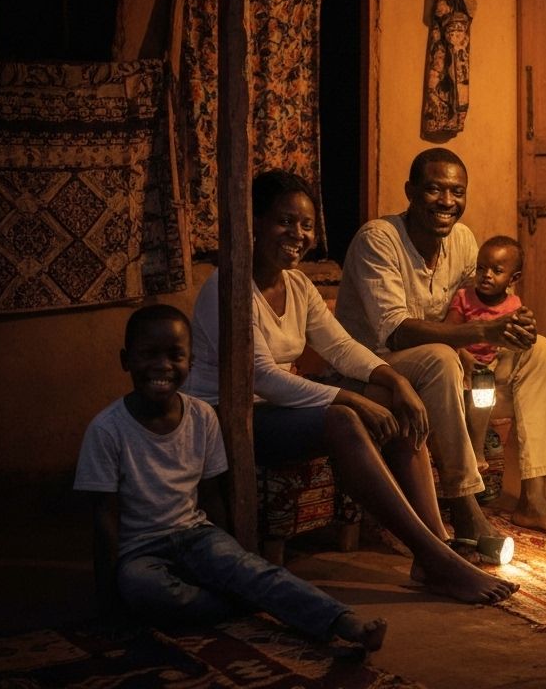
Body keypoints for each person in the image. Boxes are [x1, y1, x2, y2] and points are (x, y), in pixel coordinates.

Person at [187, 169, 516, 605]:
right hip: (228, 415)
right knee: (343, 418)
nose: (298, 234)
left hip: (277, 408)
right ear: (256, 222)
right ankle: (436, 557)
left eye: (307, 225)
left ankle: (435, 548)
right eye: (285, 221)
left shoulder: (297, 284)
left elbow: (340, 347)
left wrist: (395, 381)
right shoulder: (228, 286)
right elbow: (260, 377)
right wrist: (349, 398)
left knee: (397, 403)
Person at [73, 304, 387, 655]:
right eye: (149, 354)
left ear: (191, 363)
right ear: (126, 360)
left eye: (175, 355)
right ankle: (240, 603)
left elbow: (211, 494)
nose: (162, 365)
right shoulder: (107, 430)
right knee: (141, 588)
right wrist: (109, 602)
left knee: (254, 570)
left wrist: (228, 554)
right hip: (140, 550)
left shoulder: (202, 417)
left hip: (195, 535)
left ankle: (341, 620)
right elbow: (105, 516)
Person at [335, 148, 546, 542]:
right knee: (441, 358)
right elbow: (396, 332)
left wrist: (514, 323)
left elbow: (476, 302)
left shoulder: (462, 239)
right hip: (375, 367)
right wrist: (483, 333)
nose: (447, 201)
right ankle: (464, 504)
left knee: (538, 350)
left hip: (447, 363)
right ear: (410, 192)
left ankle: (534, 499)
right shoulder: (378, 240)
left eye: (457, 192)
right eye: (434, 189)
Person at [444, 234, 525, 472]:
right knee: (481, 390)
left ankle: (480, 446)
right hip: (464, 360)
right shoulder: (464, 297)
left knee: (491, 384)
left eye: (496, 271)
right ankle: (476, 450)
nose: (486, 275)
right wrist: (464, 356)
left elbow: (514, 338)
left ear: (513, 278)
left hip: (492, 364)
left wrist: (504, 357)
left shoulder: (513, 305)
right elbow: (449, 333)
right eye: (481, 268)